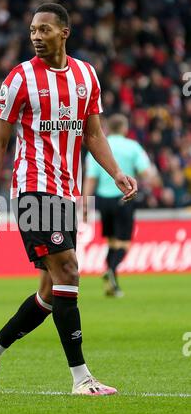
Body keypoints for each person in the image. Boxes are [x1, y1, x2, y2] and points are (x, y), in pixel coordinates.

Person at [0, 3, 137, 396]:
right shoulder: (18, 79)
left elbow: (94, 134)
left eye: (44, 29)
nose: (36, 36)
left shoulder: (86, 75)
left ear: (64, 32)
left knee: (51, 291)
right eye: (32, 30)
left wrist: (115, 172)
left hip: (66, 192)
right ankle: (82, 378)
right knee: (69, 272)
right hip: (32, 188)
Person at [84, 114, 150, 297]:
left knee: (112, 242)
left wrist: (84, 204)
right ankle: (111, 270)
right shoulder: (132, 146)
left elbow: (90, 178)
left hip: (103, 201)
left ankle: (112, 285)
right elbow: (146, 172)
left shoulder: (96, 148)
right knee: (124, 243)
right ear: (124, 128)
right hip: (124, 198)